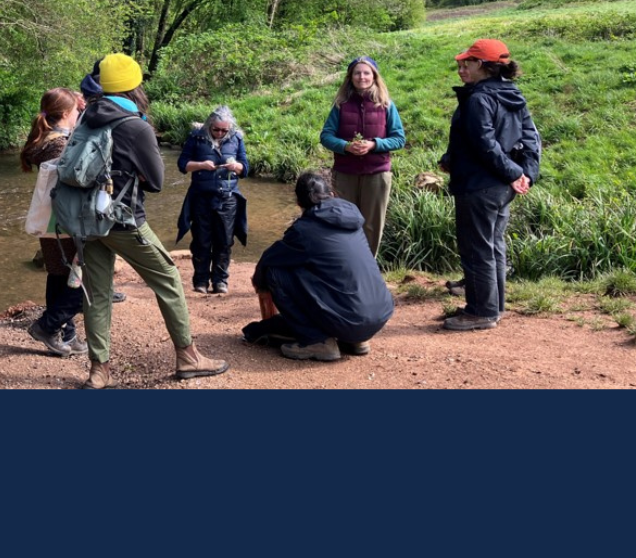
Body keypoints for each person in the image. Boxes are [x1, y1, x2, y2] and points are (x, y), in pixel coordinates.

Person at [63, 53, 227, 389]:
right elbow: (156, 182)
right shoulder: (135, 125)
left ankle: (99, 369)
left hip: (86, 220)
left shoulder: (86, 117)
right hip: (123, 220)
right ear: (135, 86)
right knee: (168, 277)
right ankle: (188, 358)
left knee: (96, 292)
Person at [439, 39, 541, 331]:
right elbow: (531, 140)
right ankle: (493, 306)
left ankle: (480, 312)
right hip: (501, 186)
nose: (460, 70)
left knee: (476, 248)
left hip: (480, 185)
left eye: (466, 64)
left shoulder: (478, 99)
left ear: (482, 66)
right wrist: (526, 175)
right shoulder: (512, 94)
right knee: (493, 246)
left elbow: (486, 145)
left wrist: (513, 173)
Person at [243, 170, 395, 360]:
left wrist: (260, 283)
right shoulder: (353, 217)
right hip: (379, 316)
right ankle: (356, 340)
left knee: (274, 271)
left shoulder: (303, 231)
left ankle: (316, 341)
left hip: (350, 320)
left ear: (298, 203)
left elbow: (269, 259)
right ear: (331, 195)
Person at [20, 88, 88, 356]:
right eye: (76, 112)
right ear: (65, 114)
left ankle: (66, 333)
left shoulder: (48, 140)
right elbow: (74, 180)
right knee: (78, 277)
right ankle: (49, 327)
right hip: (64, 222)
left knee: (59, 276)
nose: (79, 115)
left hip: (51, 222)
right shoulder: (60, 145)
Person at [320, 56, 407, 259]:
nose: (362, 77)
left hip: (377, 174)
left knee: (371, 226)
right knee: (343, 222)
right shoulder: (341, 105)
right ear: (350, 78)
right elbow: (325, 136)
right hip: (345, 174)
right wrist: (345, 146)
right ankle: (345, 267)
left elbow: (399, 139)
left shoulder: (386, 105)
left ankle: (367, 268)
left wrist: (375, 144)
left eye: (366, 73)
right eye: (357, 73)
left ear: (374, 76)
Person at [175, 106, 250, 294]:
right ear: (209, 125)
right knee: (201, 240)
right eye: (216, 129)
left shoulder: (236, 138)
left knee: (224, 240)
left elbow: (245, 169)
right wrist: (201, 165)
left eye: (224, 130)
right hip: (201, 196)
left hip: (228, 197)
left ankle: (220, 281)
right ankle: (200, 281)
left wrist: (236, 166)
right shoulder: (196, 137)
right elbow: (182, 164)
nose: (220, 133)